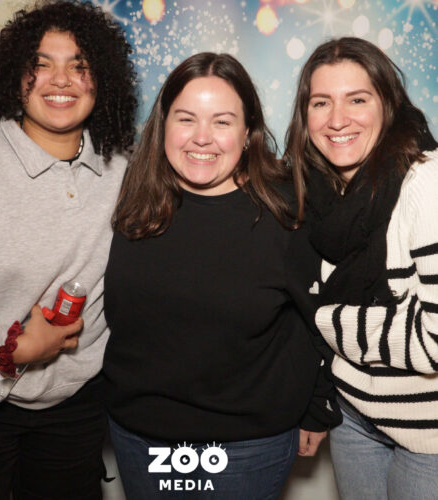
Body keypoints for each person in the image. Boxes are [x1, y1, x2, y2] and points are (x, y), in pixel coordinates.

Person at [102, 52, 341, 500]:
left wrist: (317, 408)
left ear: (248, 133)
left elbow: (322, 320)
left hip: (245, 446)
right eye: (186, 119)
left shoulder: (286, 209)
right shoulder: (134, 198)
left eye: (222, 122)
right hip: (138, 436)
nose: (202, 137)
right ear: (163, 124)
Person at [0, 1, 137, 499]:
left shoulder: (125, 174)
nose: (61, 80)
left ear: (101, 79)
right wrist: (9, 345)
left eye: (78, 65)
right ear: (16, 76)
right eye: (41, 64)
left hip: (77, 409)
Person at [284, 37, 438, 500]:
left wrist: (325, 318)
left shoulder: (426, 182)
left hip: (428, 436)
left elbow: (435, 343)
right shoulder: (317, 193)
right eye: (321, 102)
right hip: (353, 417)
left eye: (357, 100)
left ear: (387, 104)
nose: (337, 120)